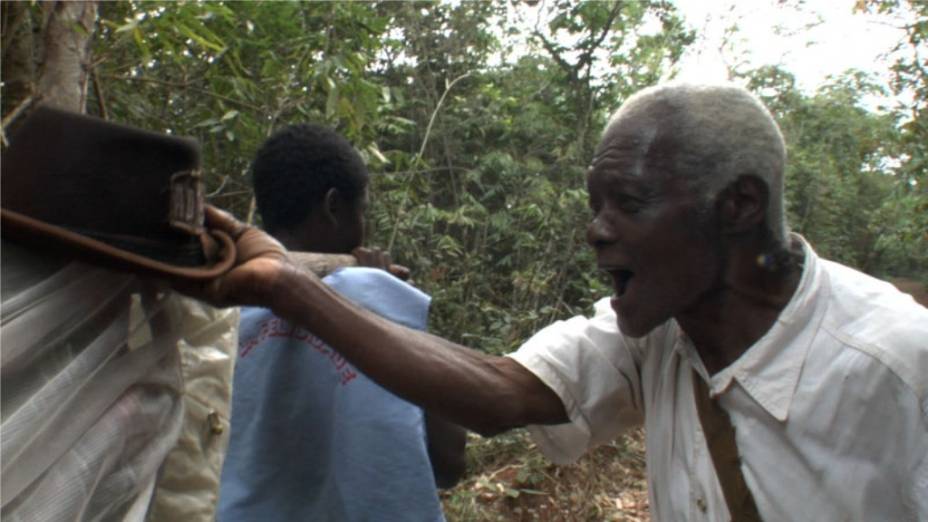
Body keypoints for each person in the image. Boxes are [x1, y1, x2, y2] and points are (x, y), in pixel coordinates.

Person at [194, 84, 928, 521]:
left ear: (738, 204)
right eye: (594, 204)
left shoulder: (897, 363)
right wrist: (285, 285)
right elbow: (500, 393)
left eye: (628, 204)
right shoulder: (654, 334)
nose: (596, 232)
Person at [216, 124, 466, 522]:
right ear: (334, 206)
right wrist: (387, 303)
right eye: (362, 210)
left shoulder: (218, 314)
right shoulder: (372, 299)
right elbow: (450, 462)